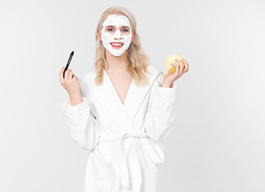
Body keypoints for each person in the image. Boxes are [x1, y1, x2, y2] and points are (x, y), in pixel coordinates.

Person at [59, 6, 189, 192]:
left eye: (124, 30)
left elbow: (157, 132)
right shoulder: (87, 84)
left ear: (133, 36)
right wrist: (74, 95)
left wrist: (166, 84)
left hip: (143, 172)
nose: (117, 35)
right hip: (104, 174)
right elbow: (87, 140)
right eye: (110, 29)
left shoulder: (152, 78)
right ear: (100, 34)